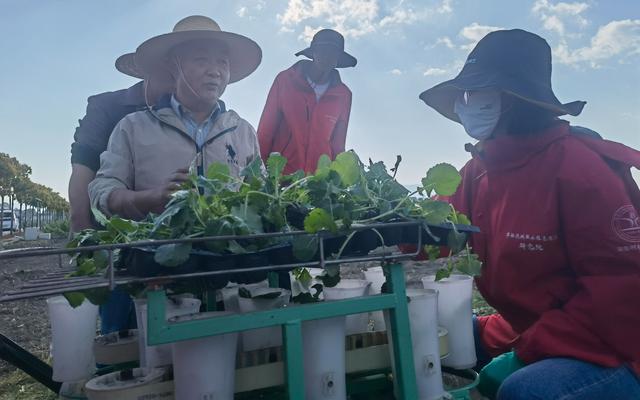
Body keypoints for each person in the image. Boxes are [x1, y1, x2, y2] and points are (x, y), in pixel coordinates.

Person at [420, 29, 640, 399]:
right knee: (452, 338)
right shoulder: (478, 170)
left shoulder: (581, 170)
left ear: (512, 100)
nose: (463, 104)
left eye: (473, 94)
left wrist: (525, 350)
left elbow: (622, 298)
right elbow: (432, 237)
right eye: (463, 95)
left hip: (621, 346)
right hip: (554, 327)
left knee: (527, 390)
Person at [89, 15, 262, 219]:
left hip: (234, 251)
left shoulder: (243, 132)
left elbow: (262, 193)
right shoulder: (133, 127)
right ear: (174, 66)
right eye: (201, 60)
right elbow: (102, 190)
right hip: (156, 249)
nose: (214, 71)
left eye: (222, 62)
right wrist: (150, 198)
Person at [69, 53, 172, 232]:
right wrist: (80, 223)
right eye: (171, 69)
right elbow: (84, 163)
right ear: (147, 70)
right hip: (110, 227)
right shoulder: (108, 106)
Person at [257, 29, 355, 175]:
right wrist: (259, 173)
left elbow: (338, 145)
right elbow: (266, 130)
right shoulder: (285, 80)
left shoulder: (344, 95)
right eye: (322, 50)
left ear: (338, 59)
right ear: (313, 53)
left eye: (333, 53)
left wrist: (335, 182)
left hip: (317, 182)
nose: (327, 56)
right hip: (281, 177)